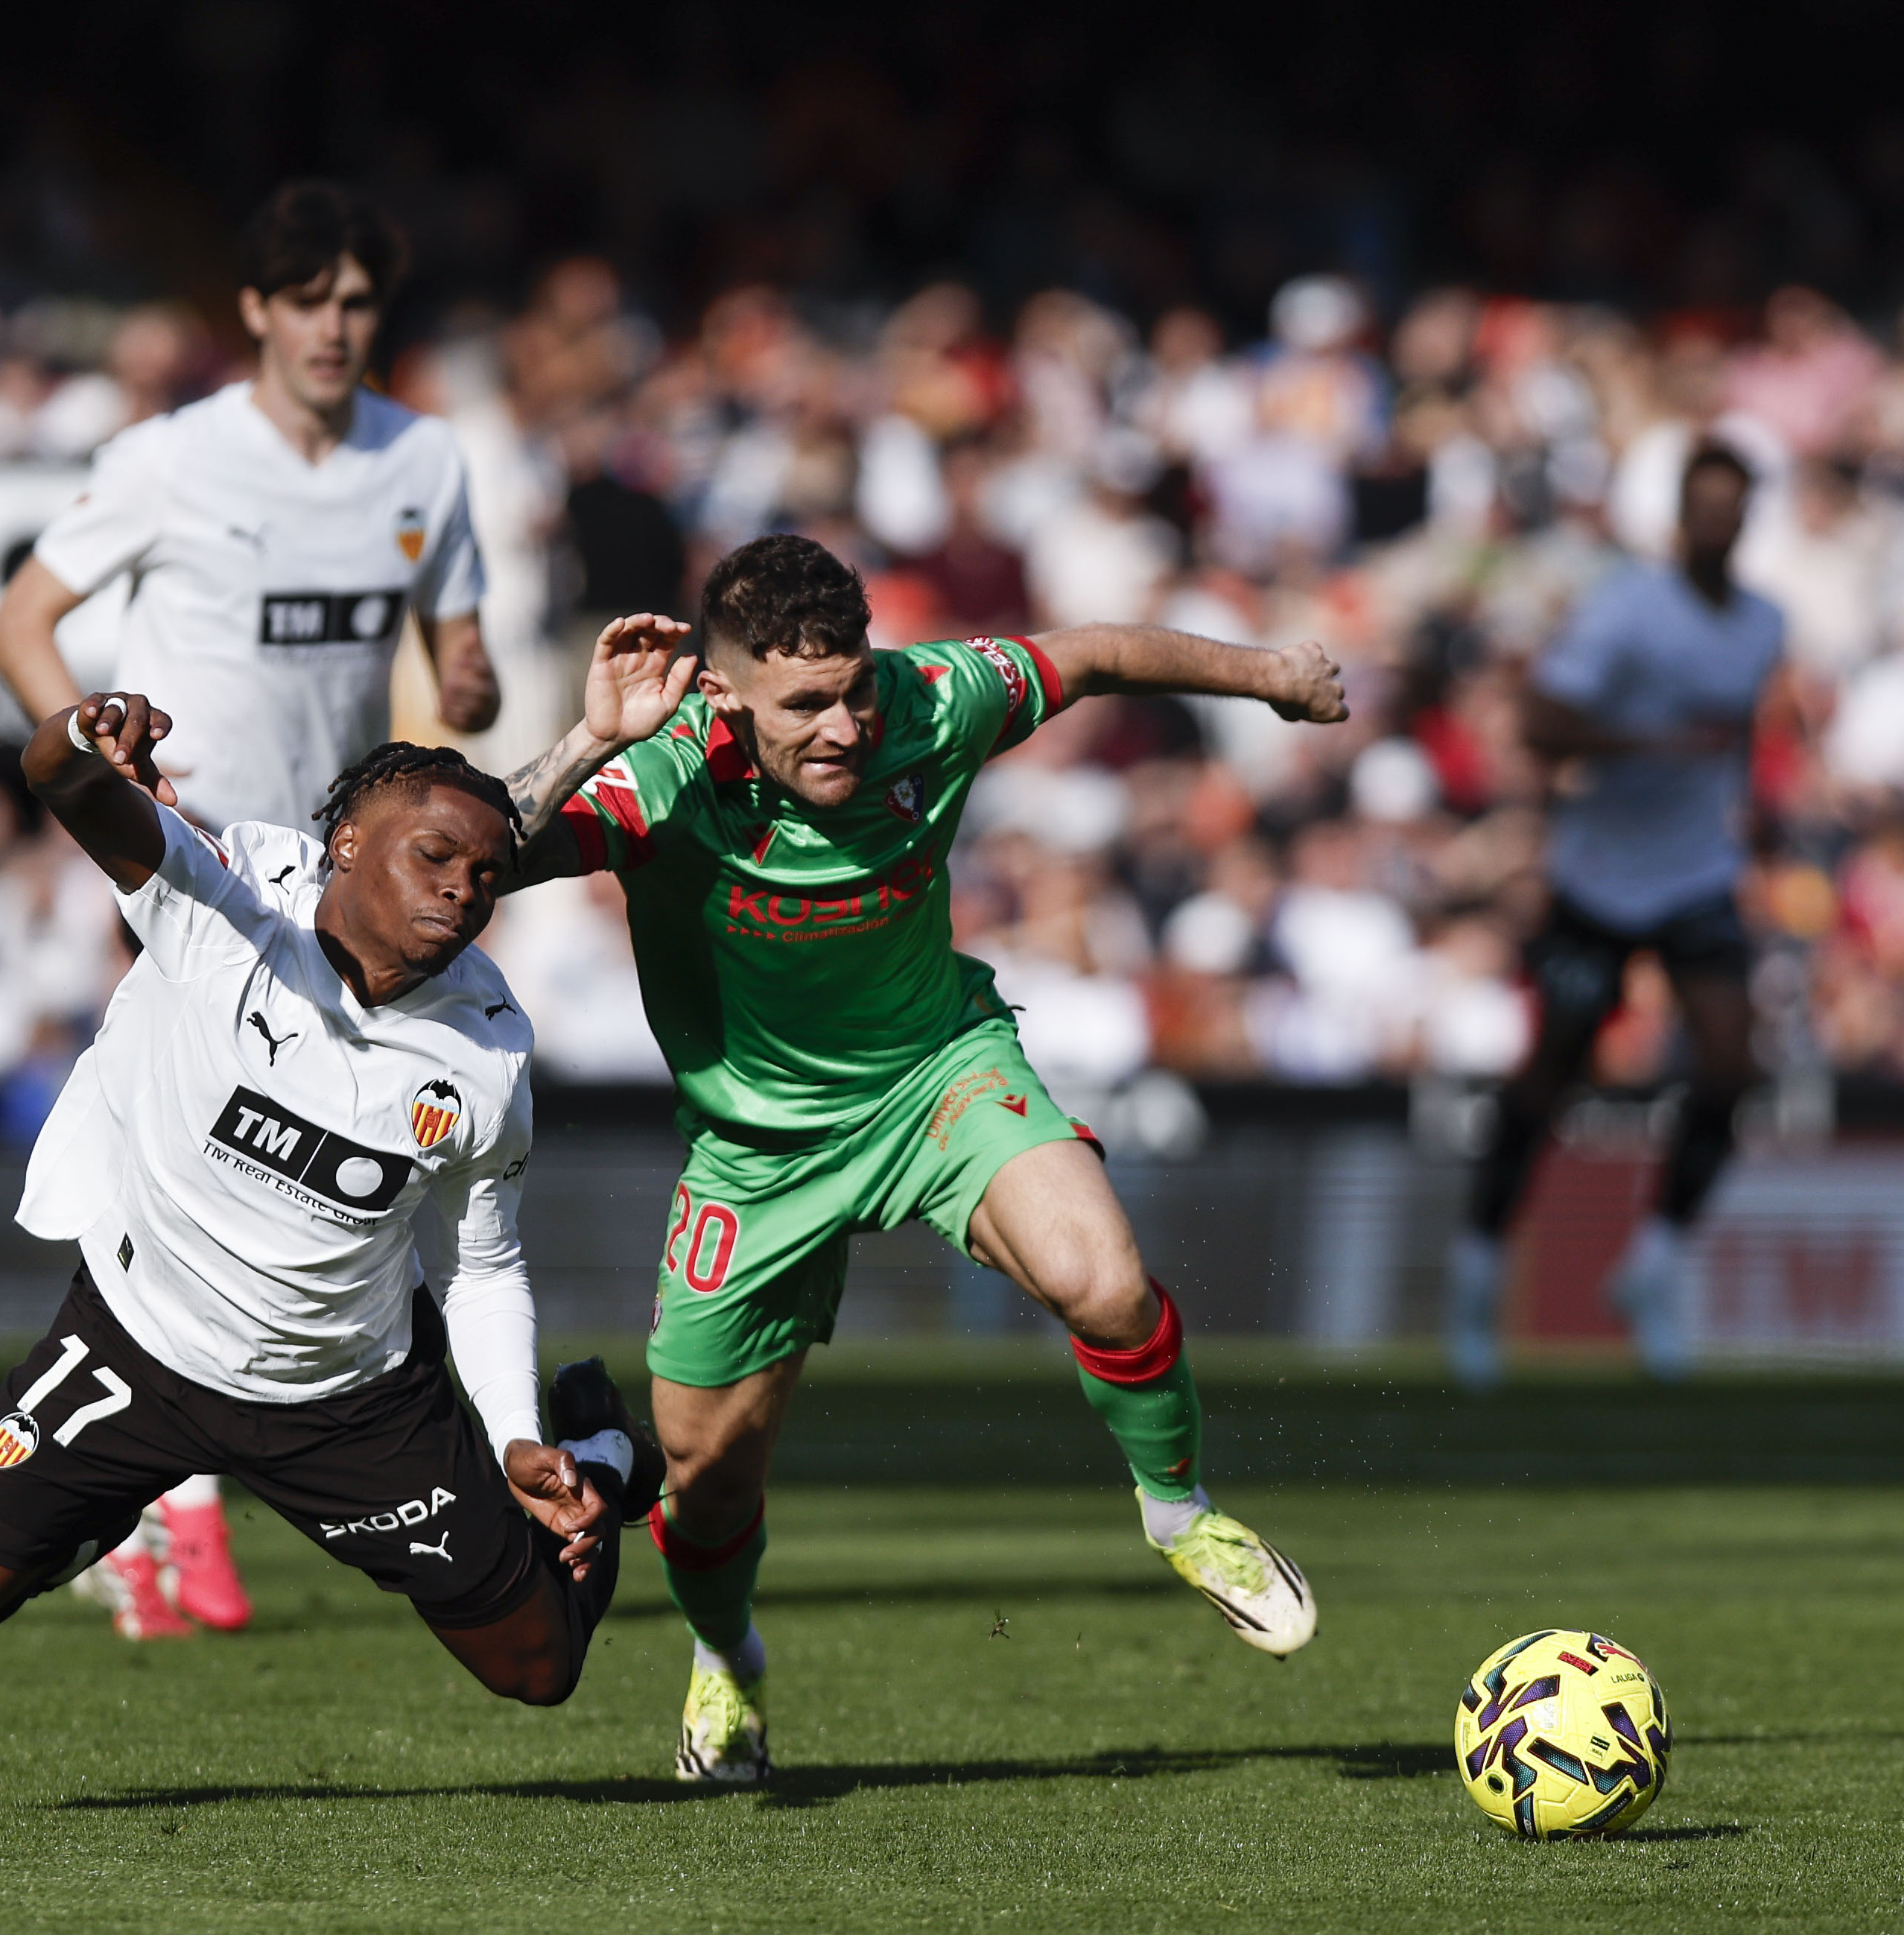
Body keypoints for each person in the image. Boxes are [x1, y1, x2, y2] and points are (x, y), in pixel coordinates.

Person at [491, 534, 1351, 1783]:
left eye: (855, 686)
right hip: (759, 1149)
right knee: (707, 1479)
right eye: (806, 704)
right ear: (725, 692)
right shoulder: (664, 778)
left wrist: (1268, 673)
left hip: (937, 1076)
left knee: (1104, 1278)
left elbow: (1099, 650)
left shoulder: (934, 701)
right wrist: (586, 743)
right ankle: (727, 1659)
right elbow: (470, 857)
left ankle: (1184, 1516)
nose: (845, 724)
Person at [0, 694, 667, 1701]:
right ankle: (106, 1506)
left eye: (485, 877)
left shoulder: (488, 1050)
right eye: (434, 857)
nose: (464, 890)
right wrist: (83, 737)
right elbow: (60, 783)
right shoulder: (223, 903)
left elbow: (481, 1264)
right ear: (344, 843)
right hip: (139, 1349)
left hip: (350, 1402)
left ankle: (600, 1450)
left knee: (541, 1671)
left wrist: (516, 1429)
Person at [0, 181, 501, 1635]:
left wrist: (467, 690)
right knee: (160, 1132)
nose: (337, 328)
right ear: (258, 312)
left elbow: (460, 663)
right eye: (312, 301)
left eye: (359, 304)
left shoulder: (426, 462)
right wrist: (95, 766)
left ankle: (140, 1491)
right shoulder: (167, 461)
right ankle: (155, 1500)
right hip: (194, 863)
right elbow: (20, 625)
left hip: (333, 885)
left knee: (257, 1164)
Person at [1445, 441, 1784, 1387]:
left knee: (1730, 1059)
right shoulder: (1628, 607)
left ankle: (1655, 1266)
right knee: (1553, 1071)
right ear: (1681, 516)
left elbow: (1740, 733)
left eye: (1734, 509)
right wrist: (1648, 742)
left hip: (1694, 872)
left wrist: (1739, 820)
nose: (1719, 525)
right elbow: (1539, 721)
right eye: (1705, 508)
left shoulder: (1764, 623)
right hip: (1598, 873)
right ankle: (1477, 1274)